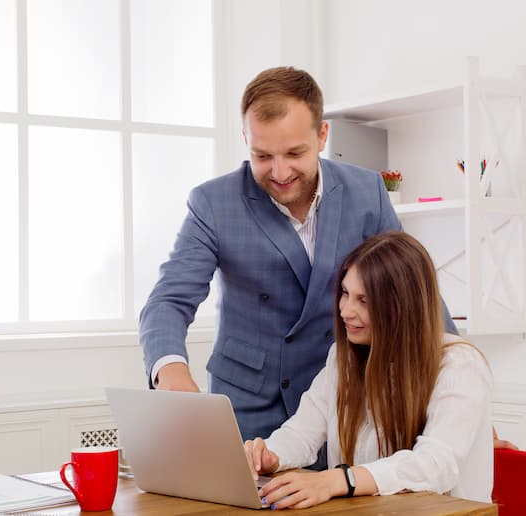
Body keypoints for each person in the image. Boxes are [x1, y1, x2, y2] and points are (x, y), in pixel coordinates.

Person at [138, 66, 458, 443]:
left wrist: (459, 401)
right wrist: (171, 371)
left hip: (345, 404)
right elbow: (168, 300)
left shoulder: (367, 191)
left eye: (294, 153)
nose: (279, 171)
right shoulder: (213, 203)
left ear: (322, 135)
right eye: (262, 155)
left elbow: (415, 293)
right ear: (245, 138)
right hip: (248, 410)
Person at [244, 231, 493, 509]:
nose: (346, 311)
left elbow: (435, 463)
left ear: (403, 306)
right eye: (346, 294)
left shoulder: (459, 365)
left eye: (363, 300)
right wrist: (270, 454)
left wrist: (338, 480)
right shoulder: (344, 358)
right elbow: (302, 432)